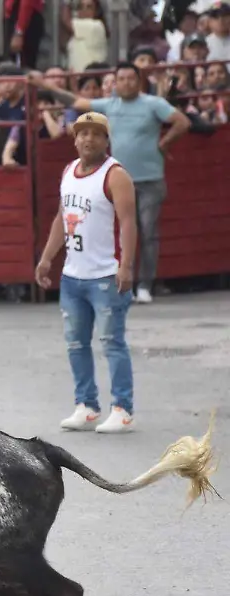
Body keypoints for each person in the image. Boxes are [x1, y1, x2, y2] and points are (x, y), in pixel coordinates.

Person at [30, 61, 190, 304]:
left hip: (149, 179)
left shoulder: (153, 103)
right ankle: (124, 280)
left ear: (139, 81)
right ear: (115, 83)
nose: (126, 83)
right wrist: (43, 85)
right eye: (121, 79)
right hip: (117, 180)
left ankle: (145, 284)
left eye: (131, 78)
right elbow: (75, 102)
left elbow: (182, 122)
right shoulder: (110, 105)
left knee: (146, 231)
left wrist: (165, 143)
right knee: (124, 229)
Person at [36, 111, 139, 433]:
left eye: (96, 133)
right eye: (83, 133)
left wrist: (126, 266)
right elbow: (61, 218)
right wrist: (47, 258)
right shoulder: (69, 171)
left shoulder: (115, 174)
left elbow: (128, 222)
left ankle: (122, 408)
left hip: (105, 274)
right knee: (76, 344)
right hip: (73, 275)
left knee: (112, 342)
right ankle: (86, 405)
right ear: (75, 138)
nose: (88, 139)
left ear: (106, 140)